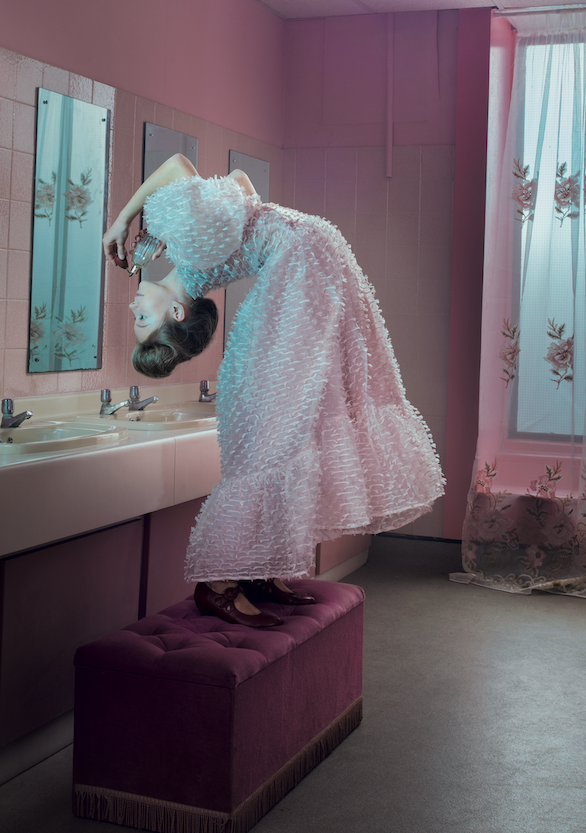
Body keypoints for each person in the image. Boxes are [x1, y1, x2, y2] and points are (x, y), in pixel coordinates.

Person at [104, 154, 444, 628]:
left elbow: (228, 184)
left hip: (308, 256)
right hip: (312, 252)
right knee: (275, 423)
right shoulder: (192, 248)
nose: (134, 306)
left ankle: (246, 571)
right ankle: (236, 575)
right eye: (144, 320)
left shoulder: (192, 245)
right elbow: (207, 174)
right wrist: (123, 218)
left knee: (272, 423)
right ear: (177, 314)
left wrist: (147, 222)